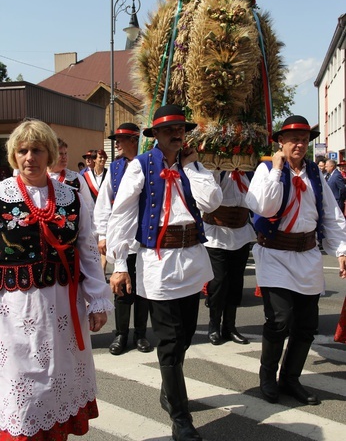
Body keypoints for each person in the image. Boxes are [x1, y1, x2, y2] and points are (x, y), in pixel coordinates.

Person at [106, 105, 222, 441]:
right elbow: (121, 216)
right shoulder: (140, 166)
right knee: (170, 342)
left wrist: (191, 166)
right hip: (157, 263)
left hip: (190, 259)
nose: (176, 134)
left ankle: (169, 390)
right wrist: (119, 266)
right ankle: (181, 418)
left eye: (180, 129)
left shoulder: (193, 166)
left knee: (185, 336)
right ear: (155, 135)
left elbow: (212, 202)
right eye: (168, 129)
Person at [0, 119, 113, 440]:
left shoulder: (71, 196)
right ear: (14, 155)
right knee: (21, 387)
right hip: (14, 310)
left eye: (37, 150)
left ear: (49, 153)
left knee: (57, 379)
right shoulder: (1, 195)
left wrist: (98, 300)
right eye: (22, 150)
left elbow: (88, 250)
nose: (29, 157)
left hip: (64, 305)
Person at [245, 115, 346, 406]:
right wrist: (277, 170)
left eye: (303, 138)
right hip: (275, 254)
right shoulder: (266, 170)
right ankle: (267, 377)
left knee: (305, 324)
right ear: (281, 142)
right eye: (293, 139)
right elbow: (264, 207)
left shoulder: (314, 173)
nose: (299, 144)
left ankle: (291, 378)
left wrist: (340, 251)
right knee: (279, 320)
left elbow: (331, 215)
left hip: (308, 255)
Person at [94, 123, 151, 355]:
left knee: (142, 290)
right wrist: (104, 233)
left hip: (145, 237)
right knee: (122, 291)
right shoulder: (115, 168)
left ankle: (140, 334)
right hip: (123, 238)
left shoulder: (149, 163)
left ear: (134, 140)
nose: (116, 143)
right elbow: (104, 202)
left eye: (121, 139)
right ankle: (120, 334)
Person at [203, 170, 256, 346]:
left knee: (235, 282)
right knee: (218, 282)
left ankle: (229, 327)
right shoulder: (217, 171)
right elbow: (208, 197)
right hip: (217, 235)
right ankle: (213, 326)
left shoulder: (249, 173)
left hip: (240, 234)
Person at [48, 138, 95, 222]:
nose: (64, 157)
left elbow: (89, 207)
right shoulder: (39, 179)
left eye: (66, 153)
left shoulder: (76, 178)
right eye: (60, 154)